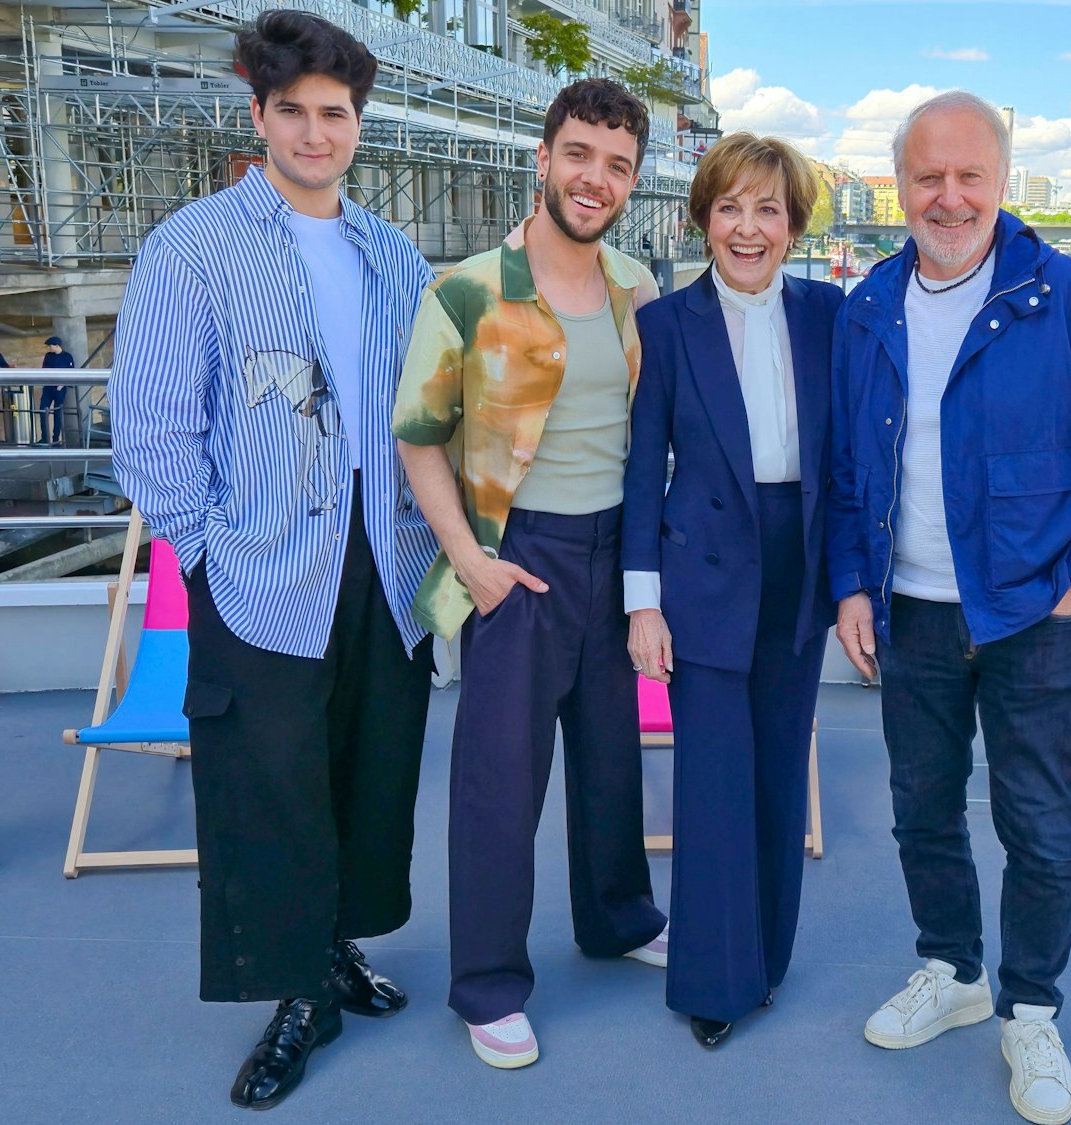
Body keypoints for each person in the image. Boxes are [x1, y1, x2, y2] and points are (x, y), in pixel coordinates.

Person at [109, 10, 441, 1111]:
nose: (313, 133)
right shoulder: (193, 245)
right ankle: (297, 994)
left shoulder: (391, 254)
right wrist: (200, 555)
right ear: (259, 117)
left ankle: (337, 943)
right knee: (270, 783)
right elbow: (153, 422)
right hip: (255, 558)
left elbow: (429, 408)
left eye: (333, 114)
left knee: (369, 762)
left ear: (357, 125)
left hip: (383, 554)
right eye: (291, 111)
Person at [826, 90, 1071, 1125]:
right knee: (921, 809)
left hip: (1029, 618)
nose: (949, 196)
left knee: (1038, 825)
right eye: (928, 177)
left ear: (1001, 182)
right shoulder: (868, 305)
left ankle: (1030, 1008)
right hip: (908, 613)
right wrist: (847, 586)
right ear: (900, 186)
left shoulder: (1066, 297)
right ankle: (953, 972)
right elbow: (846, 470)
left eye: (970, 176)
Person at [394, 77, 668, 1071]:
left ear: (630, 182)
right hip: (519, 558)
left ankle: (618, 919)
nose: (594, 178)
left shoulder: (638, 286)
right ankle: (488, 986)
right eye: (580, 155)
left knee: (611, 761)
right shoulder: (466, 289)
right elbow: (417, 438)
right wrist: (470, 559)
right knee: (498, 785)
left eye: (616, 165)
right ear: (544, 158)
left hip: (614, 553)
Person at [621, 131, 842, 1049]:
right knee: (713, 781)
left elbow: (858, 454)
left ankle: (768, 959)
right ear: (701, 219)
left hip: (800, 563)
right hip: (702, 565)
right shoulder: (667, 325)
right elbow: (642, 469)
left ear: (792, 225)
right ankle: (714, 982)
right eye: (730, 208)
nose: (748, 229)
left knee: (779, 771)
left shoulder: (833, 315)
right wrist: (642, 599)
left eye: (769, 210)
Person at [37, 336, 76, 445]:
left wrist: (63, 384)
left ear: (57, 346)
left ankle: (55, 439)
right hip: (48, 387)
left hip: (59, 388)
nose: (49, 348)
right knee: (43, 410)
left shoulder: (67, 357)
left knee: (57, 413)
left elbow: (71, 372)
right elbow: (44, 370)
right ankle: (44, 438)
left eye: (50, 346)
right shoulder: (48, 356)